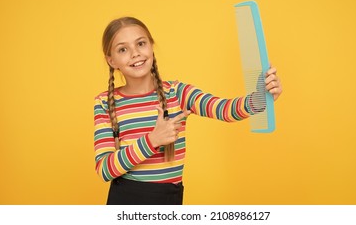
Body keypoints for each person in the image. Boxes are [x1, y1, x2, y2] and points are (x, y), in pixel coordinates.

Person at [94, 17, 282, 205]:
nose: (135, 54)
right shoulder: (104, 102)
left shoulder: (178, 93)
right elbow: (105, 169)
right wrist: (152, 140)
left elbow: (224, 109)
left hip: (168, 200)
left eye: (141, 43)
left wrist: (260, 97)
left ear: (151, 46)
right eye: (123, 49)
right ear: (111, 60)